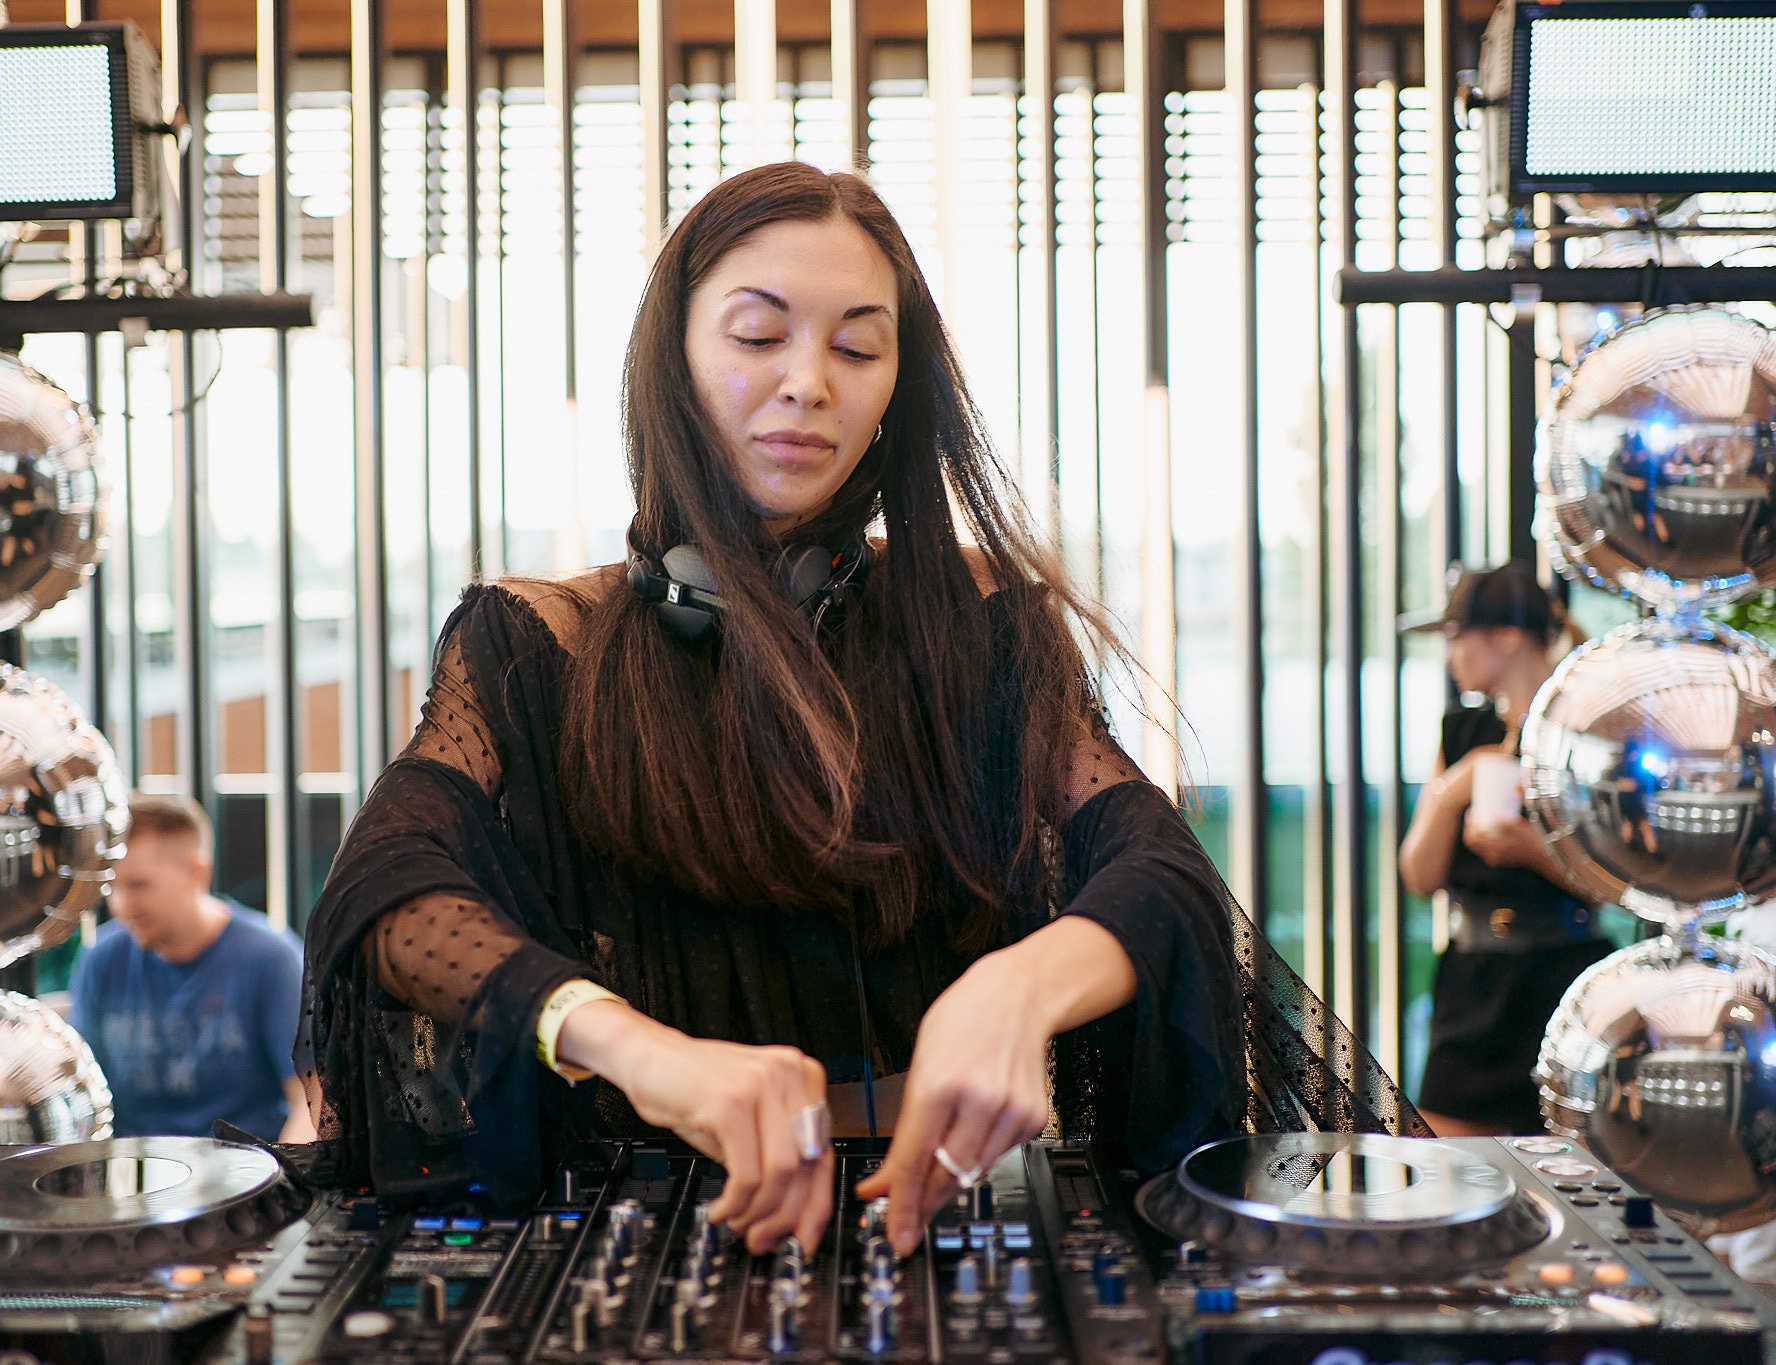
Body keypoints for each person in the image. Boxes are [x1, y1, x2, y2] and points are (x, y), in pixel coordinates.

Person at [299, 162, 1419, 1261]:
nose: (808, 383)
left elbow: (1159, 871)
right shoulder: (536, 639)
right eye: (757, 335)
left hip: (936, 1209)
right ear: (671, 361)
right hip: (645, 1213)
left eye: (857, 347)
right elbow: (388, 889)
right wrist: (634, 1048)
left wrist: (1020, 987)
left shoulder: (983, 620)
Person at [1398, 561, 1610, 1137]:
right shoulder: (1463, 732)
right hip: (1473, 977)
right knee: (1452, 1160)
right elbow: (1418, 875)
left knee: (1564, 1161)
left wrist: (1532, 851)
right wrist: (1453, 790)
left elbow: (1616, 885)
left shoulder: (1583, 735)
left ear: (1508, 637)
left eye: (1455, 637)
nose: (1450, 656)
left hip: (1561, 974)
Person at [71, 792, 312, 1143]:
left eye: (138, 885)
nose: (121, 905)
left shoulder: (271, 960)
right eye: (112, 886)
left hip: (247, 1169)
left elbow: (311, 1102)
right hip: (132, 1170)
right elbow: (82, 1095)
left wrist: (284, 1174)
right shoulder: (100, 959)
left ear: (196, 873)